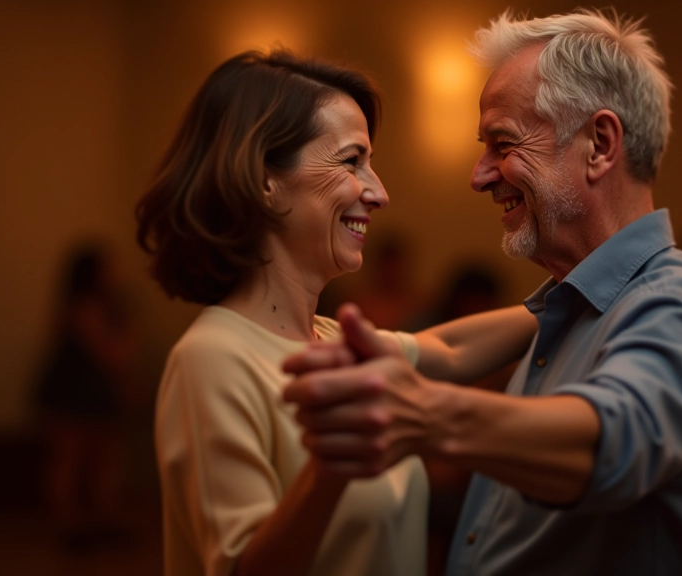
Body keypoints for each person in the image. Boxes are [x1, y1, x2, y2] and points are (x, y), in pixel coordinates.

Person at [284, 9, 682, 575]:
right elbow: (456, 350)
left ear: (599, 144)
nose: (480, 175)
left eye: (503, 144)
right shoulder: (571, 308)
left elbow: (608, 442)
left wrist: (423, 415)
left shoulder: (680, 309)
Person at [134, 51, 535, 576]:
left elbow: (450, 350)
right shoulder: (211, 359)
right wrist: (329, 470)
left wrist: (595, 281)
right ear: (263, 180)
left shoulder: (331, 341)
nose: (380, 192)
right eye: (351, 162)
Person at [33, 241, 135, 548]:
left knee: (96, 459)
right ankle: (71, 526)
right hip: (74, 392)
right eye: (108, 267)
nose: (115, 273)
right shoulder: (85, 307)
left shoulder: (91, 305)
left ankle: (95, 521)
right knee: (72, 459)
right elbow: (112, 355)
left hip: (89, 393)